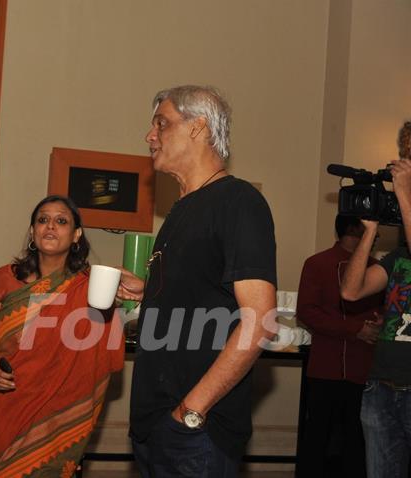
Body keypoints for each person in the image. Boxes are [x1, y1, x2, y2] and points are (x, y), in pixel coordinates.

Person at [116, 85, 278, 477]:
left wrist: (191, 410)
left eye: (161, 123)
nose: (149, 136)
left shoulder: (238, 202)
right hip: (155, 425)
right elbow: (200, 294)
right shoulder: (182, 208)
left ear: (198, 127)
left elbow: (258, 319)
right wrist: (148, 289)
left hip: (195, 432)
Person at [0, 195, 125, 478]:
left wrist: (111, 306)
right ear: (33, 232)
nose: (50, 226)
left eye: (61, 221)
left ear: (76, 235)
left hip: (58, 411)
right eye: (43, 220)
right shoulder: (4, 279)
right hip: (5, 402)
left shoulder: (91, 286)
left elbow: (104, 351)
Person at [340, 120, 411, 478]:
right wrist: (369, 231)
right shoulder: (398, 256)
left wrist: (403, 193)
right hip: (381, 387)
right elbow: (350, 290)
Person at [296, 215, 384, 478]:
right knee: (318, 437)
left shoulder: (377, 268)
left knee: (358, 439)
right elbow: (307, 312)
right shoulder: (317, 263)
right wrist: (355, 329)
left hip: (364, 368)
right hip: (326, 366)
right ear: (354, 230)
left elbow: (387, 311)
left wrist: (381, 321)